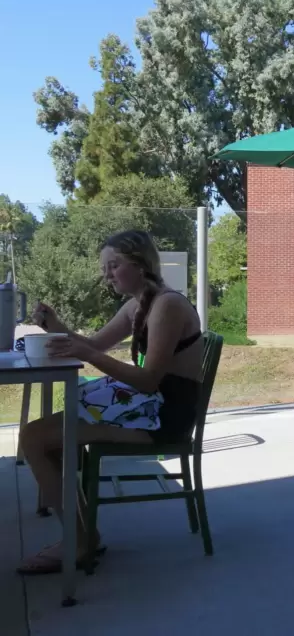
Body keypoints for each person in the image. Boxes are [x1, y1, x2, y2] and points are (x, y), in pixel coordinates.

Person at [16, 230, 204, 575]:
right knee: (41, 437)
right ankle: (83, 535)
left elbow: (147, 381)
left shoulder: (168, 305)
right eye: (105, 267)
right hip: (148, 408)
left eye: (113, 265)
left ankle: (79, 541)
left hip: (163, 419)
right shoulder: (138, 304)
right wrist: (57, 328)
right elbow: (96, 345)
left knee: (34, 437)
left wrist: (86, 352)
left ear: (141, 264)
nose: (107, 274)